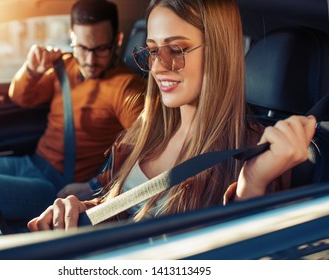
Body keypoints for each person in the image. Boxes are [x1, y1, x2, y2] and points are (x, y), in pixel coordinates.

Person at [27, 0, 316, 231]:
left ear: (219, 53)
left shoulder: (257, 151)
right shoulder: (143, 132)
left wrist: (251, 185)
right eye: (152, 51)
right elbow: (118, 208)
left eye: (176, 49)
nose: (157, 68)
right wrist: (81, 210)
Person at [0, 0, 145, 220]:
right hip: (31, 163)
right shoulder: (65, 66)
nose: (90, 60)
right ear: (72, 37)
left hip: (57, 189)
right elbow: (20, 98)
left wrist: (95, 185)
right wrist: (32, 70)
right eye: (83, 48)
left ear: (118, 40)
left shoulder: (127, 87)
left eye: (101, 49)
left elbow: (149, 147)